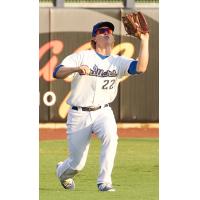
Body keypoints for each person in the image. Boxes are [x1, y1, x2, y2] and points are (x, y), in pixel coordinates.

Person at [53, 21, 149, 192]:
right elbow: (57, 72)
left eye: (110, 31)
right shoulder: (82, 57)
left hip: (103, 110)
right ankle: (63, 172)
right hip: (79, 113)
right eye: (102, 31)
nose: (107, 33)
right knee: (77, 164)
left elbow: (141, 68)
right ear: (94, 38)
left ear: (113, 38)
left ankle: (104, 181)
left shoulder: (118, 61)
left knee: (111, 137)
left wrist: (145, 40)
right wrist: (76, 69)